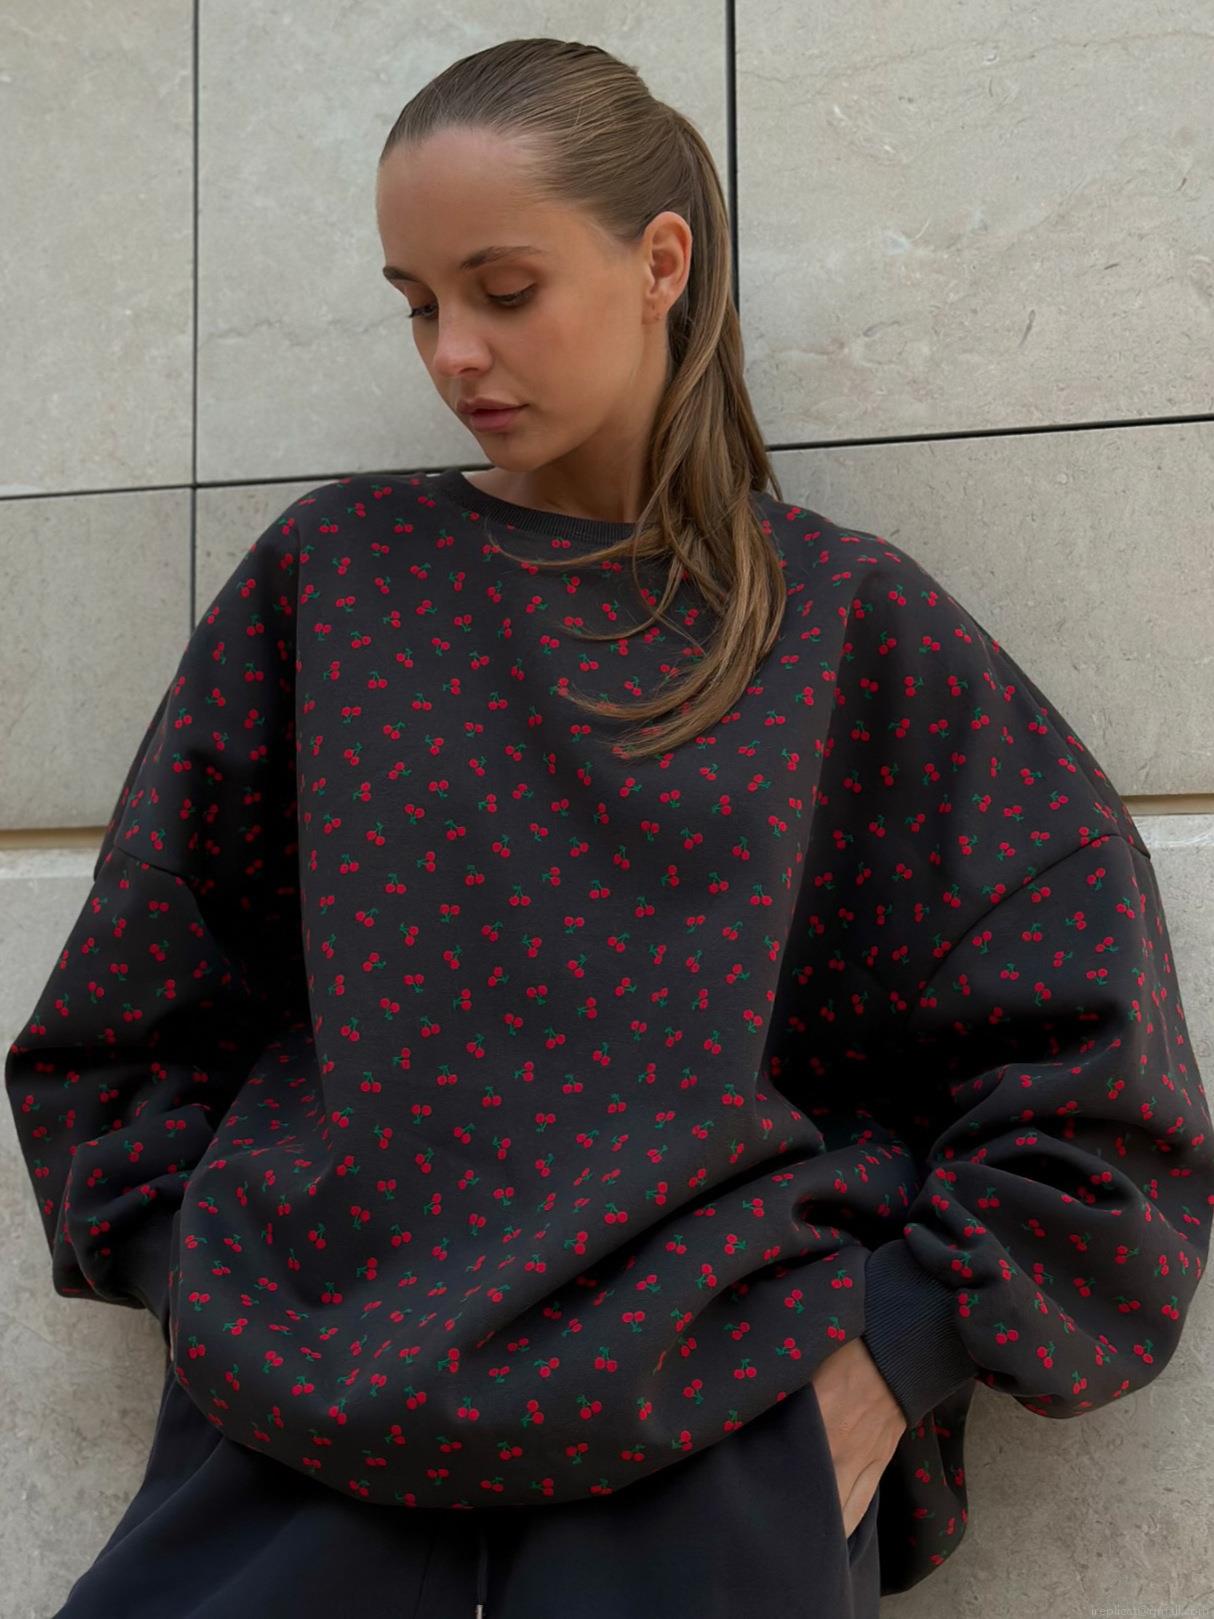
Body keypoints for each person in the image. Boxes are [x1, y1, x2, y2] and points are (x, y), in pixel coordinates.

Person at [6, 35, 1212, 1619]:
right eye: (416, 302)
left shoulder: (844, 624)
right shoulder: (336, 581)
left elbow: (1094, 1067)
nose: (453, 352)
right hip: (301, 1423)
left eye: (503, 290)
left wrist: (883, 1361)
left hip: (713, 1447)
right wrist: (210, 1294)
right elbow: (127, 1009)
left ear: (660, 265)